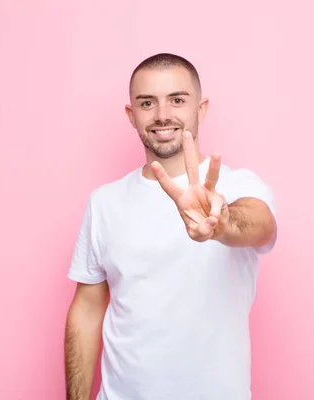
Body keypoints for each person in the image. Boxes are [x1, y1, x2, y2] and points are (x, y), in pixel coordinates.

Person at [64, 52, 278, 400]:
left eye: (177, 100)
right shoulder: (104, 202)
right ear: (132, 116)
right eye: (148, 103)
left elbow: (260, 224)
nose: (162, 115)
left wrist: (221, 223)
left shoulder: (239, 186)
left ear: (201, 109)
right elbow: (87, 310)